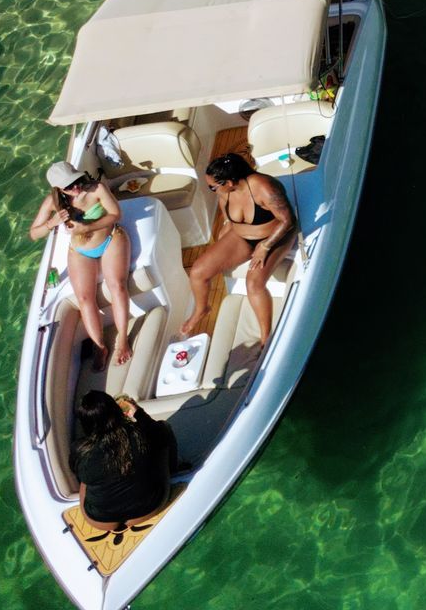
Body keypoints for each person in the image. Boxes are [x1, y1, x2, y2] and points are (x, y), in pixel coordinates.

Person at [180, 153, 297, 343]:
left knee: (254, 283)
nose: (211, 190)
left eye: (212, 187)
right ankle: (202, 309)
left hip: (276, 236)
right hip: (242, 236)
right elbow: (226, 212)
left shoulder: (264, 188)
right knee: (198, 272)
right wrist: (227, 224)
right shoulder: (224, 192)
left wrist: (265, 246)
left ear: (230, 182)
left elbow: (288, 221)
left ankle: (266, 337)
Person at [29, 162, 134, 364]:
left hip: (111, 239)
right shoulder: (53, 202)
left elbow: (115, 214)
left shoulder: (96, 189)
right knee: (85, 299)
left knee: (117, 286)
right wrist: (52, 223)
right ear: (59, 188)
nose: (76, 188)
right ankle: (100, 345)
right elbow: (34, 234)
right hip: (80, 250)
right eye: (69, 186)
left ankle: (122, 338)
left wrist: (86, 227)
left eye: (77, 181)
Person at [70, 390, 181, 526]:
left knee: (84, 480)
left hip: (101, 520)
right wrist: (138, 412)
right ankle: (175, 471)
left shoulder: (80, 449)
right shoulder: (139, 433)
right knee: (163, 436)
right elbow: (161, 430)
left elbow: (78, 473)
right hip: (149, 508)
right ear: (115, 410)